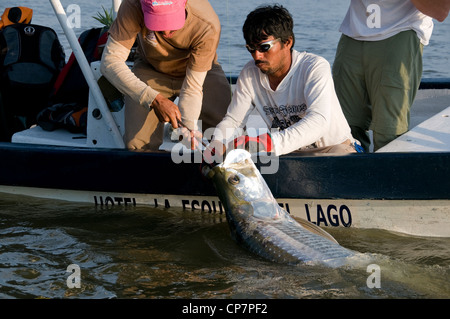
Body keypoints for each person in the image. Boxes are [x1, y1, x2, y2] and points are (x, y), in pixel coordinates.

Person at [206, 5, 357, 161]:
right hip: (287, 154)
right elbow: (234, 120)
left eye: (264, 47)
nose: (257, 56)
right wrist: (217, 142)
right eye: (251, 48)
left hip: (333, 149)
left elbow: (319, 121)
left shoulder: (315, 67)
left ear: (288, 42)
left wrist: (266, 142)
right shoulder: (249, 72)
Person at [100, 0, 231, 151]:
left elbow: (193, 87)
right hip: (151, 67)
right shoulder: (133, 5)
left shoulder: (207, 23)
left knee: (226, 135)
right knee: (137, 144)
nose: (166, 33)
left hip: (198, 71)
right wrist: (154, 99)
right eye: (158, 23)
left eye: (171, 21)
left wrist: (188, 127)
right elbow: (110, 62)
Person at [332, 0, 449, 152]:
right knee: (343, 131)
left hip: (401, 32)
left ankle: (389, 175)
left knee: (388, 132)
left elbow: (441, 10)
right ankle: (353, 175)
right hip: (353, 35)